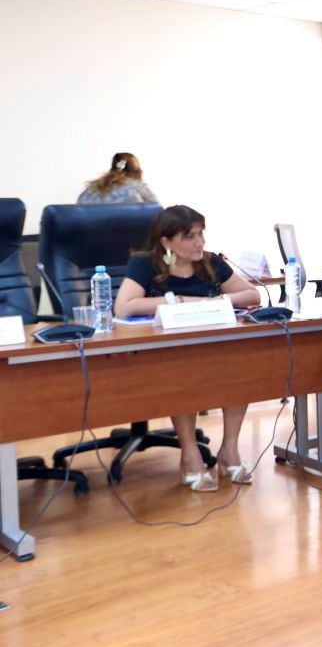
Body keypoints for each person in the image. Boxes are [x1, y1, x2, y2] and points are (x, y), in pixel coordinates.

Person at [115, 205, 262, 491]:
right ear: (166, 242)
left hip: (215, 345)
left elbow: (251, 294)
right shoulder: (145, 263)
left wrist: (218, 302)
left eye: (200, 234)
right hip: (166, 352)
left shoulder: (209, 262)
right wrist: (180, 301)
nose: (200, 242)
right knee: (183, 374)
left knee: (239, 372)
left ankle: (229, 451)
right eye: (190, 236)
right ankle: (190, 454)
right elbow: (124, 306)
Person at [77, 152, 159, 204]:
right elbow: (157, 211)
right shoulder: (138, 187)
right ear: (137, 171)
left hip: (92, 231)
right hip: (132, 230)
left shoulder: (91, 189)